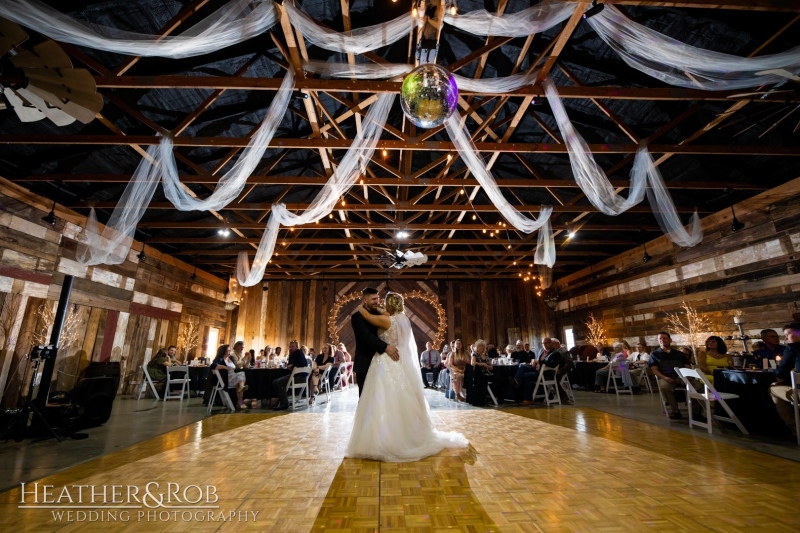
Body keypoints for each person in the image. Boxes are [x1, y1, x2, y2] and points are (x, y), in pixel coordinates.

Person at [345, 292, 468, 462]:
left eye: (381, 300)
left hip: (385, 362)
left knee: (380, 401)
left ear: (389, 304)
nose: (378, 302)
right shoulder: (403, 319)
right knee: (394, 400)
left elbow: (370, 319)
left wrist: (361, 307)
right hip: (396, 362)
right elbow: (367, 334)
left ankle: (382, 440)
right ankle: (402, 434)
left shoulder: (385, 319)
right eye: (374, 299)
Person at [649, 332, 693, 419]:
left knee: (698, 386)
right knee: (664, 386)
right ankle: (675, 411)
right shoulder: (655, 354)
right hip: (666, 377)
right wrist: (664, 377)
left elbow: (687, 366)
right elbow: (654, 369)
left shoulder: (679, 354)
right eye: (660, 339)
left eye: (664, 338)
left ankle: (696, 412)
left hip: (681, 377)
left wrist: (687, 376)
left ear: (670, 340)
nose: (662, 340)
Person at [769, 323, 800, 439]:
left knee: (773, 388)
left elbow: (780, 374)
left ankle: (796, 430)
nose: (785, 338)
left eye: (788, 334)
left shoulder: (793, 347)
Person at [271, 340, 309, 410]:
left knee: (280, 382)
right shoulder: (292, 354)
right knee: (275, 382)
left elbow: (303, 364)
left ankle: (284, 404)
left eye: (292, 346)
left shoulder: (299, 353)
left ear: (297, 347)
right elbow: (289, 364)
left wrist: (292, 366)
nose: (291, 348)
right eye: (290, 347)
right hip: (295, 375)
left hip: (300, 377)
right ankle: (284, 400)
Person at [210, 344, 247, 411]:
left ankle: (240, 401)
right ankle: (241, 400)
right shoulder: (220, 359)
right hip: (226, 379)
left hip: (234, 377)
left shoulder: (231, 358)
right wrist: (224, 367)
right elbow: (213, 366)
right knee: (242, 375)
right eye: (228, 350)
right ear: (224, 351)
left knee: (240, 381)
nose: (230, 351)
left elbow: (236, 367)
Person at [469, 339, 494, 407]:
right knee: (478, 373)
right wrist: (482, 364)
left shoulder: (486, 356)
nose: (481, 347)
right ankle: (479, 401)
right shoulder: (475, 355)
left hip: (486, 373)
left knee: (499, 379)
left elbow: (491, 367)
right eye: (480, 346)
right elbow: (473, 363)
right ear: (477, 347)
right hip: (478, 374)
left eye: (482, 346)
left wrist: (488, 366)